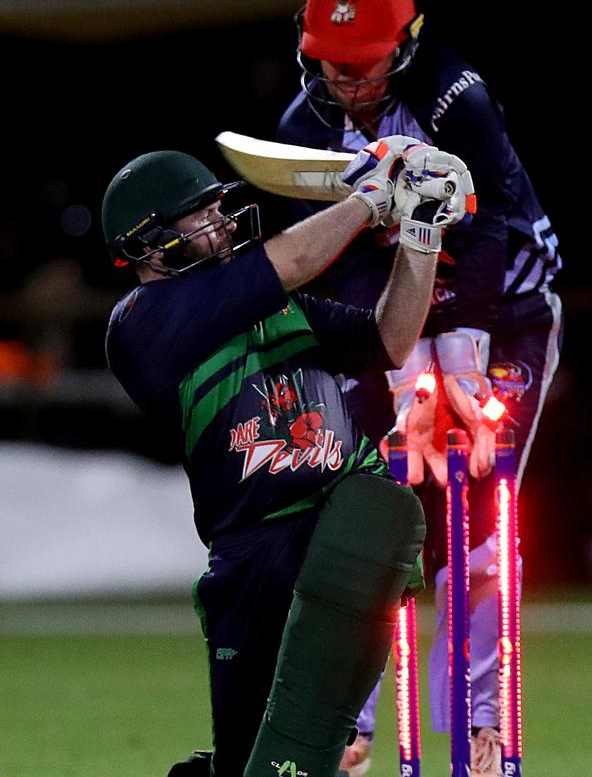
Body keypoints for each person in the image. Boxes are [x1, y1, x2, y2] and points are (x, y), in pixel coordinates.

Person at [101, 139, 474, 777]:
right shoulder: (141, 323)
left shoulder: (274, 302)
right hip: (254, 558)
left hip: (335, 529)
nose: (220, 221)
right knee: (256, 763)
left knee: (302, 755)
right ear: (150, 242)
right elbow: (297, 257)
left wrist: (419, 235)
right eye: (200, 214)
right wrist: (371, 197)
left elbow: (390, 339)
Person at [277, 0, 563, 777]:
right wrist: (407, 379)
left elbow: (482, 229)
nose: (349, 85)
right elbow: (343, 266)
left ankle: (482, 725)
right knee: (367, 514)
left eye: (364, 67)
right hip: (383, 320)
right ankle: (351, 720)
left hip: (503, 313)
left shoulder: (453, 97)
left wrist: (460, 369)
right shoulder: (304, 126)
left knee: (480, 520)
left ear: (406, 44)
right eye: (333, 67)